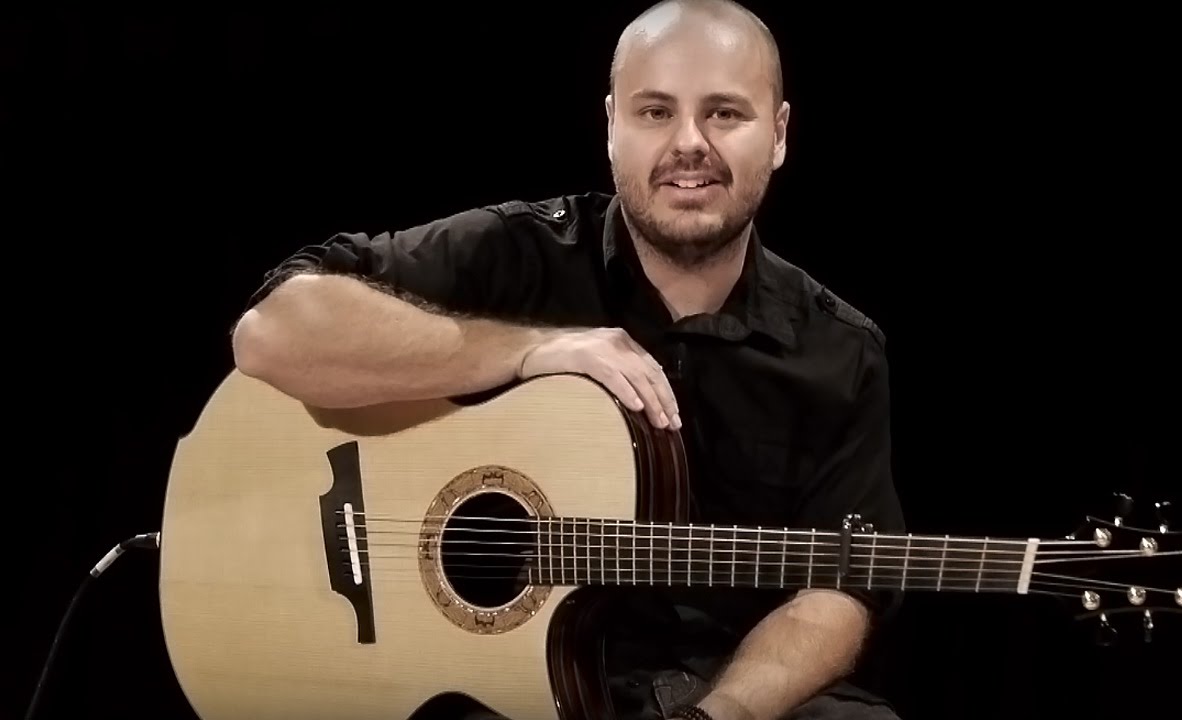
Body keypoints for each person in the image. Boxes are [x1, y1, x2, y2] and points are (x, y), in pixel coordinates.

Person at [231, 0, 906, 718]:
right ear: (611, 126)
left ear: (778, 134)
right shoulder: (514, 255)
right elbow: (270, 333)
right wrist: (530, 349)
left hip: (715, 684)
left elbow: (840, 589)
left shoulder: (840, 352)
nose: (689, 143)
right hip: (488, 687)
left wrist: (725, 712)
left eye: (725, 113)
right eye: (655, 112)